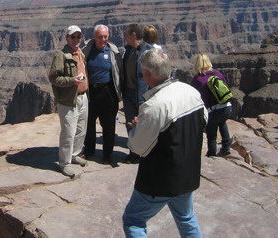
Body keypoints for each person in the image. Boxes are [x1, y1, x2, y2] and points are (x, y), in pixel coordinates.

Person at [123, 49, 207, 238]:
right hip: (188, 174)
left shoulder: (154, 106)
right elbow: (204, 121)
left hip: (159, 181)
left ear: (147, 73)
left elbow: (137, 148)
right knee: (186, 217)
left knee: (133, 221)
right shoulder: (191, 92)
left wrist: (137, 127)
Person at [48, 25, 89, 178]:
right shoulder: (61, 55)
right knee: (68, 133)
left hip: (83, 97)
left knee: (81, 129)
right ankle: (64, 163)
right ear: (67, 38)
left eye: (78, 37)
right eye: (73, 37)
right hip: (68, 100)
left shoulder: (80, 53)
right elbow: (53, 77)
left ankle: (75, 154)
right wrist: (72, 81)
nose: (76, 40)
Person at [82, 24, 122, 164]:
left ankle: (107, 154)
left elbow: (119, 72)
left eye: (105, 37)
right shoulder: (87, 50)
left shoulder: (113, 52)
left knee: (109, 125)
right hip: (91, 91)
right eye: (100, 37)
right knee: (89, 123)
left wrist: (119, 93)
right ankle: (89, 150)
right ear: (94, 36)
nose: (103, 39)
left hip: (108, 91)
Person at [190, 54, 232, 157]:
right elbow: (226, 86)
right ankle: (226, 148)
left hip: (212, 111)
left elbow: (194, 96)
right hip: (227, 107)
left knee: (212, 135)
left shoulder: (197, 80)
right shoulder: (217, 73)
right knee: (222, 123)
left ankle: (212, 155)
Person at [122, 24, 150, 164]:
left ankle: (145, 153)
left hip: (143, 95)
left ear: (133, 35)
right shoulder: (128, 50)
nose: (124, 37)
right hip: (128, 94)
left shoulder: (147, 51)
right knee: (130, 124)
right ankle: (133, 153)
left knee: (144, 125)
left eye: (126, 34)